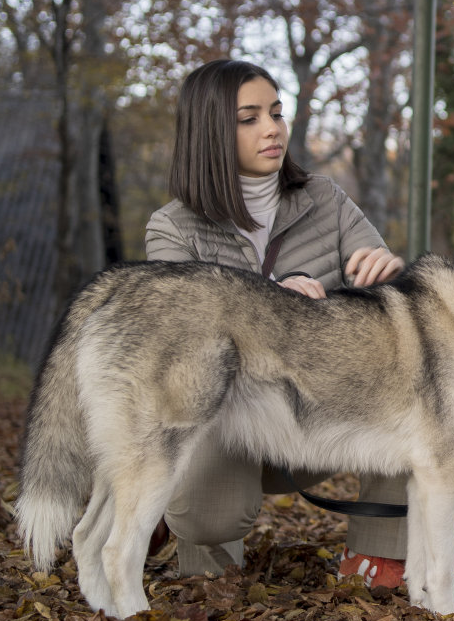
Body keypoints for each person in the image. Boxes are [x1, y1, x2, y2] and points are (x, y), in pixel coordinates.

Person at [145, 58, 409, 588]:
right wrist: (272, 304)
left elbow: (381, 292)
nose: (272, 129)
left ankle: (377, 558)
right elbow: (181, 345)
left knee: (413, 387)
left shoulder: (325, 200)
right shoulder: (173, 229)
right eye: (248, 118)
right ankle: (165, 514)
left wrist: (383, 276)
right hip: (228, 423)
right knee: (208, 521)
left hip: (319, 421)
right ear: (210, 131)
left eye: (276, 112)